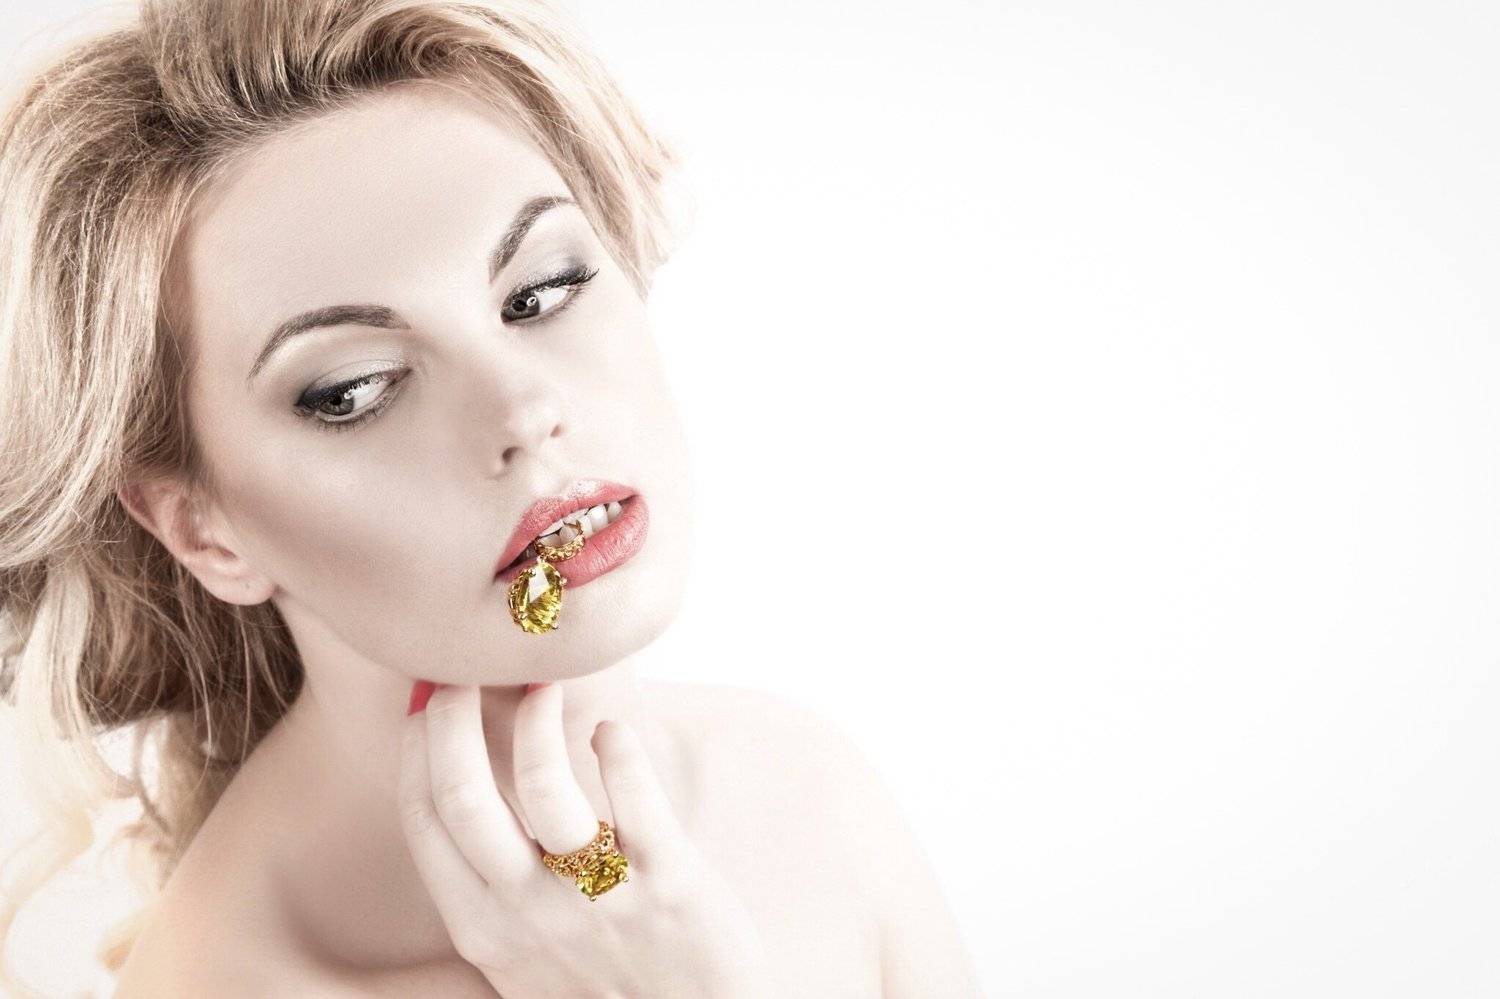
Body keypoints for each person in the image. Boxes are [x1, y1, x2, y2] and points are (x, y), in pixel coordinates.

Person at [0, 0, 983, 994]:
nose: (526, 408)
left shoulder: (799, 786)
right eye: (356, 390)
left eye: (540, 292)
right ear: (202, 530)